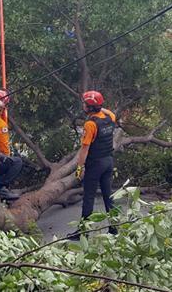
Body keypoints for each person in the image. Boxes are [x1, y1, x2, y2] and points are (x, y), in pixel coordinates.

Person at [69, 90, 117, 240]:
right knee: (108, 196)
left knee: (88, 197)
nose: (83, 105)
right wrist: (97, 104)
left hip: (95, 164)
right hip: (108, 161)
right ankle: (113, 228)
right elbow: (104, 109)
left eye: (85, 103)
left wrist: (79, 167)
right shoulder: (110, 117)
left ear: (89, 107)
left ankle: (83, 232)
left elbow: (85, 149)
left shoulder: (90, 124)